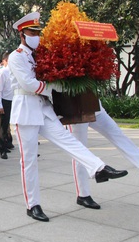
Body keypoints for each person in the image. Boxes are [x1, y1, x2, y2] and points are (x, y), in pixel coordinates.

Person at [9, 12, 128, 222]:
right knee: (29, 161)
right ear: (22, 34)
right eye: (31, 32)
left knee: (68, 141)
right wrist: (55, 86)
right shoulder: (16, 56)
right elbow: (29, 84)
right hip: (26, 110)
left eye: (38, 32)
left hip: (43, 108)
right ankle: (33, 204)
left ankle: (99, 168)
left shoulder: (41, 55)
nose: (36, 36)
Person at [69, 106, 139, 209]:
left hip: (93, 104)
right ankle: (83, 195)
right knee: (80, 151)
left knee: (117, 134)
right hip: (75, 110)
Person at [0, 53, 15, 159]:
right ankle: (2, 149)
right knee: (4, 126)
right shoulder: (2, 72)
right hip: (5, 101)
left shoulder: (16, 71)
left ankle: (6, 144)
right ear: (5, 61)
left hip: (15, 100)